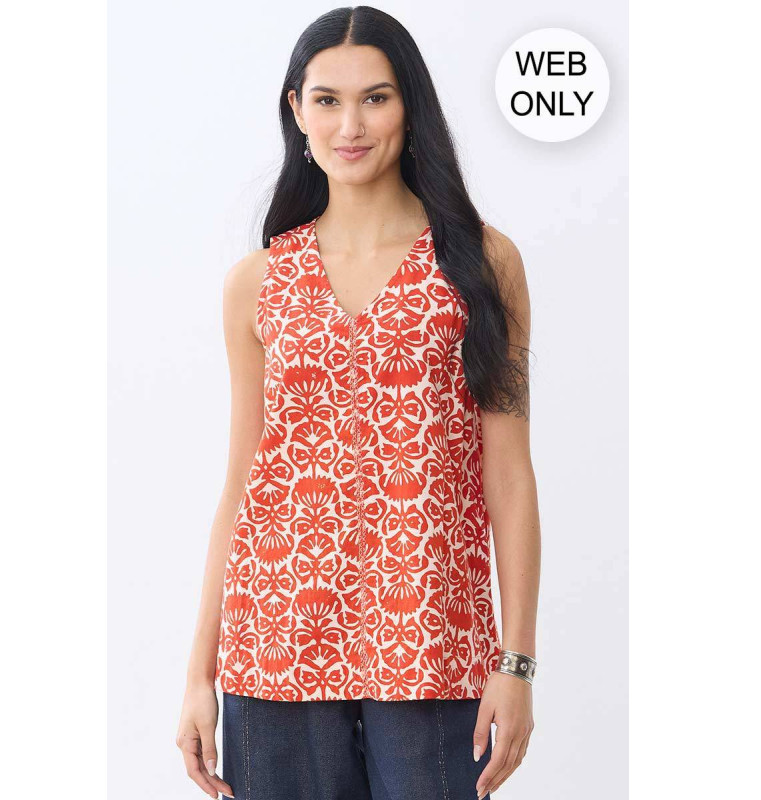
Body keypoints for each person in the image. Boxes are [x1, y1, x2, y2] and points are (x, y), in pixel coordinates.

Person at [176, 7, 541, 799]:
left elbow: (509, 475)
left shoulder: (482, 266)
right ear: (296, 109)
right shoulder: (258, 284)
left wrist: (516, 664)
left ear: (410, 107)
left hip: (432, 646)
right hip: (275, 648)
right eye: (327, 100)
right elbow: (242, 482)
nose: (351, 125)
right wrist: (200, 674)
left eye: (375, 98)